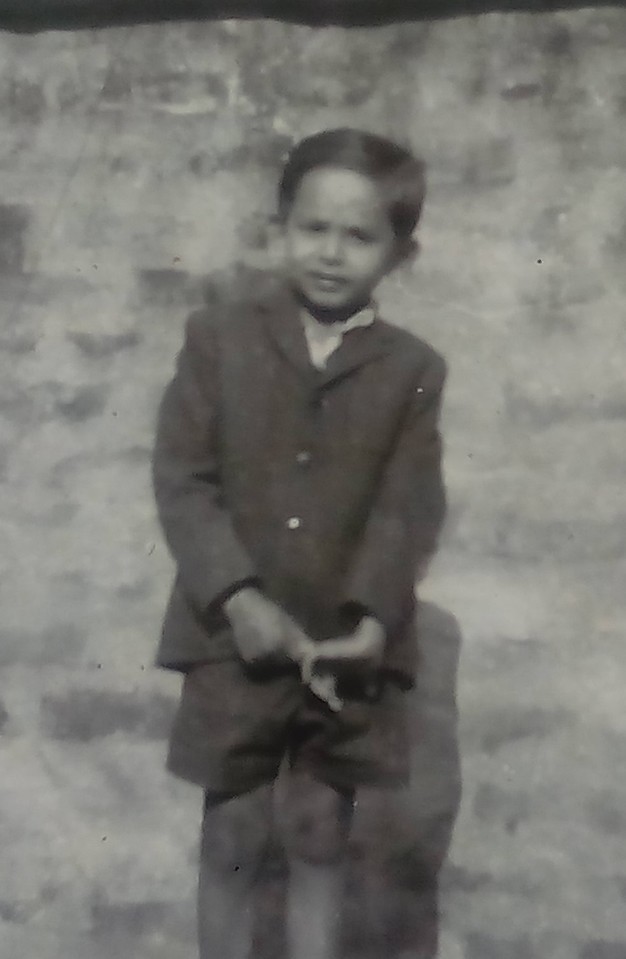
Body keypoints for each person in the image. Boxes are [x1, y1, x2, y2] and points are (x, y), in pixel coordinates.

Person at [152, 127, 447, 959]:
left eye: (359, 236)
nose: (330, 252)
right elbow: (183, 478)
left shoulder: (412, 368)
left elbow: (407, 506)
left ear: (401, 253)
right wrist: (237, 597)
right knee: (233, 835)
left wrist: (374, 622)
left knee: (320, 835)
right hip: (232, 638)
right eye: (313, 228)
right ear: (279, 227)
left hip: (339, 647)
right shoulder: (218, 337)